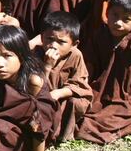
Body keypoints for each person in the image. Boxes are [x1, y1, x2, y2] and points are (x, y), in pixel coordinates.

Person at [77, 0, 131, 144]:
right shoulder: (100, 33)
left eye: (126, 19)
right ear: (107, 13)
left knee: (111, 116)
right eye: (114, 15)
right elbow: (90, 62)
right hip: (100, 89)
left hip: (125, 95)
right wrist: (84, 86)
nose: (118, 22)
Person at [37, 11, 92, 143]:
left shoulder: (75, 55)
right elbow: (36, 86)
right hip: (43, 97)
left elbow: (80, 84)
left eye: (61, 42)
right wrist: (47, 66)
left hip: (65, 98)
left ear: (74, 44)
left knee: (76, 103)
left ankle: (65, 136)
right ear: (41, 37)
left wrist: (58, 93)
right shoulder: (36, 54)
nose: (53, 45)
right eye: (49, 39)